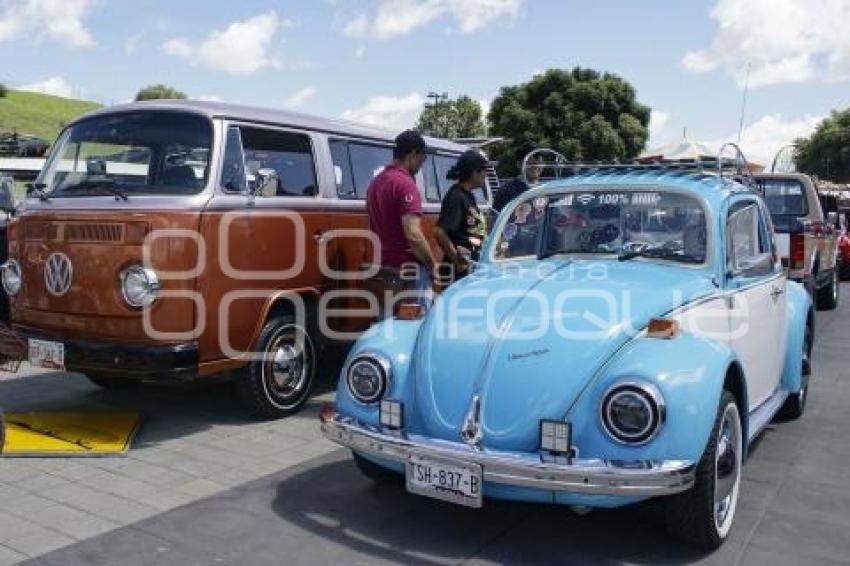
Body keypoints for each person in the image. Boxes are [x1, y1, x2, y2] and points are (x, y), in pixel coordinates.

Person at [366, 130, 436, 314]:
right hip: (408, 273)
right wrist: (432, 265)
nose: (422, 163)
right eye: (423, 158)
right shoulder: (405, 184)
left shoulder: (375, 183)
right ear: (413, 154)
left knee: (387, 328)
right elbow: (413, 235)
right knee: (415, 329)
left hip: (384, 271)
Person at [435, 150, 489, 283]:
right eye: (484, 171)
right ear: (474, 172)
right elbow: (439, 232)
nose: (485, 175)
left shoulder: (468, 195)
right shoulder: (456, 197)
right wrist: (457, 260)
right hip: (457, 272)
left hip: (471, 266)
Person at [492, 143, 543, 213]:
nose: (536, 166)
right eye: (531, 163)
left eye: (539, 163)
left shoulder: (545, 189)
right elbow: (496, 218)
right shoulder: (507, 191)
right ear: (519, 164)